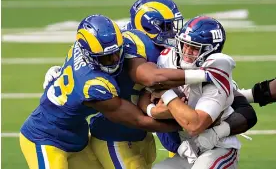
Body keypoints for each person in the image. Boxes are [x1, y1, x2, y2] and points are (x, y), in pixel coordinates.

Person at [19, 14, 182, 169]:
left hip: (77, 136)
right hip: (45, 137)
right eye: (105, 58)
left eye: (116, 53)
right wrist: (186, 122)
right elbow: (139, 120)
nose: (114, 60)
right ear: (88, 55)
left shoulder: (84, 47)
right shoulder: (94, 84)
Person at [143, 16, 242, 169]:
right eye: (185, 45)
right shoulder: (167, 59)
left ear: (210, 50)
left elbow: (194, 125)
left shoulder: (217, 74)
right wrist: (153, 110)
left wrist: (166, 92)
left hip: (218, 147)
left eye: (195, 48)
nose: (187, 52)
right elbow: (145, 91)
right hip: (188, 149)